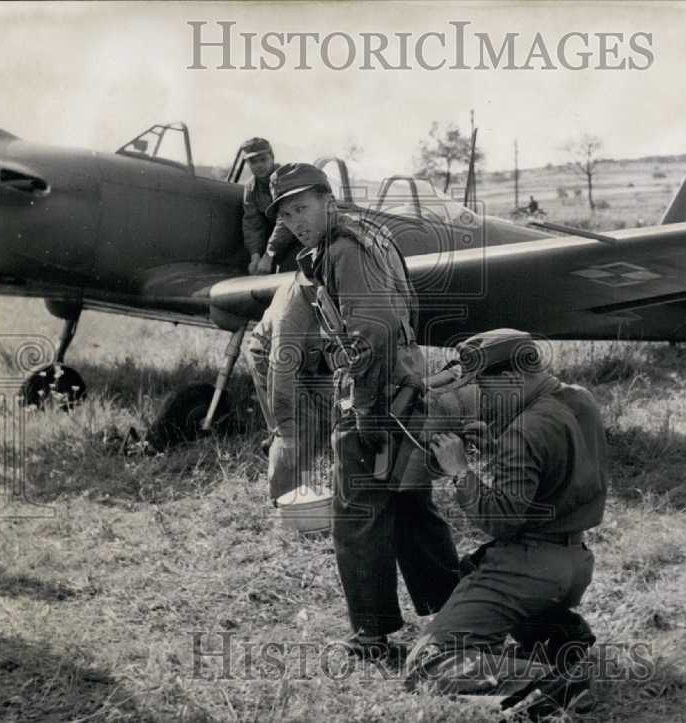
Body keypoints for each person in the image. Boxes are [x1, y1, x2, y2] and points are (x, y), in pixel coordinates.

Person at [267, 162, 460, 660]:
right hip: (406, 383)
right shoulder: (369, 235)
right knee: (410, 506)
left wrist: (368, 411)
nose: (296, 221)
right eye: (286, 214)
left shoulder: (341, 249)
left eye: (303, 207)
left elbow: (370, 330)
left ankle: (371, 636)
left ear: (327, 199)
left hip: (377, 395)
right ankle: (459, 614)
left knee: (355, 517)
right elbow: (401, 308)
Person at [405, 329, 606, 719]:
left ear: (512, 376)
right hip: (575, 562)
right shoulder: (579, 398)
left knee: (427, 663)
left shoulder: (524, 430)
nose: (482, 395)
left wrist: (461, 472)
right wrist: (498, 444)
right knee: (467, 574)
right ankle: (557, 636)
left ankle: (549, 683)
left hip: (529, 568)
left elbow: (500, 522)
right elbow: (558, 466)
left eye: (485, 383)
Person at [245, 275, 333, 502]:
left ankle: (302, 483)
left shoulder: (339, 283)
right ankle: (285, 503)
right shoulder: (294, 303)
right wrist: (286, 431)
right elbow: (281, 370)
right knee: (299, 426)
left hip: (312, 357)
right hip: (272, 357)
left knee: (328, 417)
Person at [238, 137, 300, 275]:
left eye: (263, 159)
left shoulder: (286, 178)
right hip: (280, 241)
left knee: (287, 275)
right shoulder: (250, 187)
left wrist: (268, 255)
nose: (259, 165)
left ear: (272, 158)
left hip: (304, 236)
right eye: (253, 162)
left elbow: (286, 219)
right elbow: (252, 224)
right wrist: (255, 256)